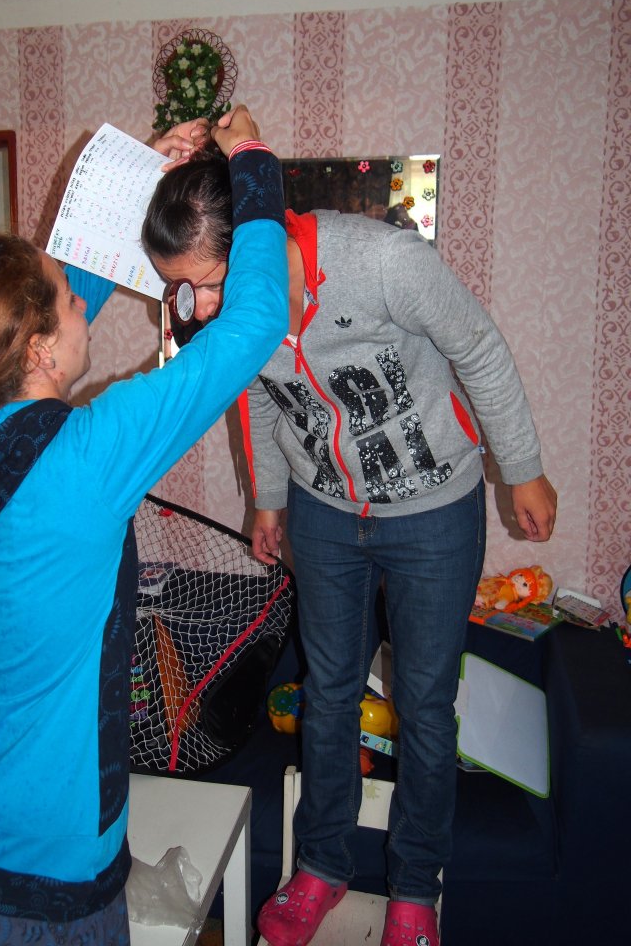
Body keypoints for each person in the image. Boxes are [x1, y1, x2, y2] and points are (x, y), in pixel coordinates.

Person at [141, 146, 557, 946]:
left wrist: (524, 469)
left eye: (209, 282)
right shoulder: (244, 317)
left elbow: (479, 349)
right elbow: (259, 397)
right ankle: (322, 866)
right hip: (325, 515)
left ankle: (415, 888)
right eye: (183, 289)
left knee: (424, 707)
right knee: (328, 695)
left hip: (434, 512)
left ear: (258, 239)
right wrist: (269, 500)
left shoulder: (383, 263)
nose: (201, 309)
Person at [0, 106, 288, 946]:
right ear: (38, 349)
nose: (88, 298)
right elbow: (254, 323)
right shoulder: (86, 457)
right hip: (42, 872)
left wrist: (140, 180)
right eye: (73, 300)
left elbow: (58, 294)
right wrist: (252, 160)